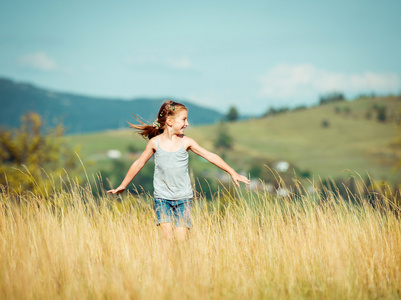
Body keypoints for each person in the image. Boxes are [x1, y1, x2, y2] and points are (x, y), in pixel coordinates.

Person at [107, 100, 250, 247]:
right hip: (162, 199)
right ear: (169, 121)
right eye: (183, 119)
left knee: (182, 242)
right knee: (167, 239)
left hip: (184, 199)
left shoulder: (186, 142)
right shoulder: (154, 143)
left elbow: (210, 156)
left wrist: (233, 172)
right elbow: (138, 163)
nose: (187, 123)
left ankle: (180, 267)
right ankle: (166, 268)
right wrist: (123, 185)